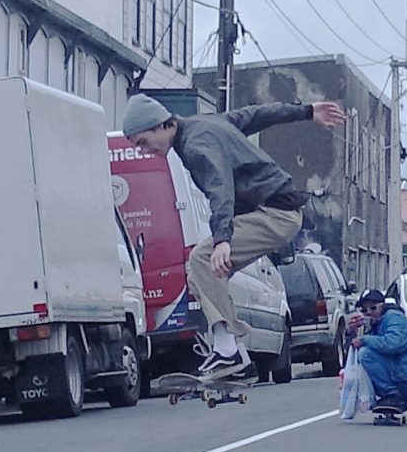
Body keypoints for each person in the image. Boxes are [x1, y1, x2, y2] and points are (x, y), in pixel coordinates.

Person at [121, 93, 347, 379]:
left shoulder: (195, 145)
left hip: (275, 214)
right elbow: (257, 115)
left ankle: (229, 350)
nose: (145, 151)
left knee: (202, 259)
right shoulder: (207, 123)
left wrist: (222, 239)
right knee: (199, 272)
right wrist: (306, 111)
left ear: (160, 126)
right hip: (277, 211)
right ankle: (230, 349)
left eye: (143, 143)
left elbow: (220, 187)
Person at [347, 289, 407, 411]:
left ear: (382, 306)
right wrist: (352, 331)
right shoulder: (375, 324)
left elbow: (393, 344)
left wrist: (364, 340)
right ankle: (392, 397)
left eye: (373, 308)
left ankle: (393, 396)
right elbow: (353, 351)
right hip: (402, 374)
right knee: (362, 356)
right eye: (364, 310)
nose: (369, 313)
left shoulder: (395, 318)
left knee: (366, 354)